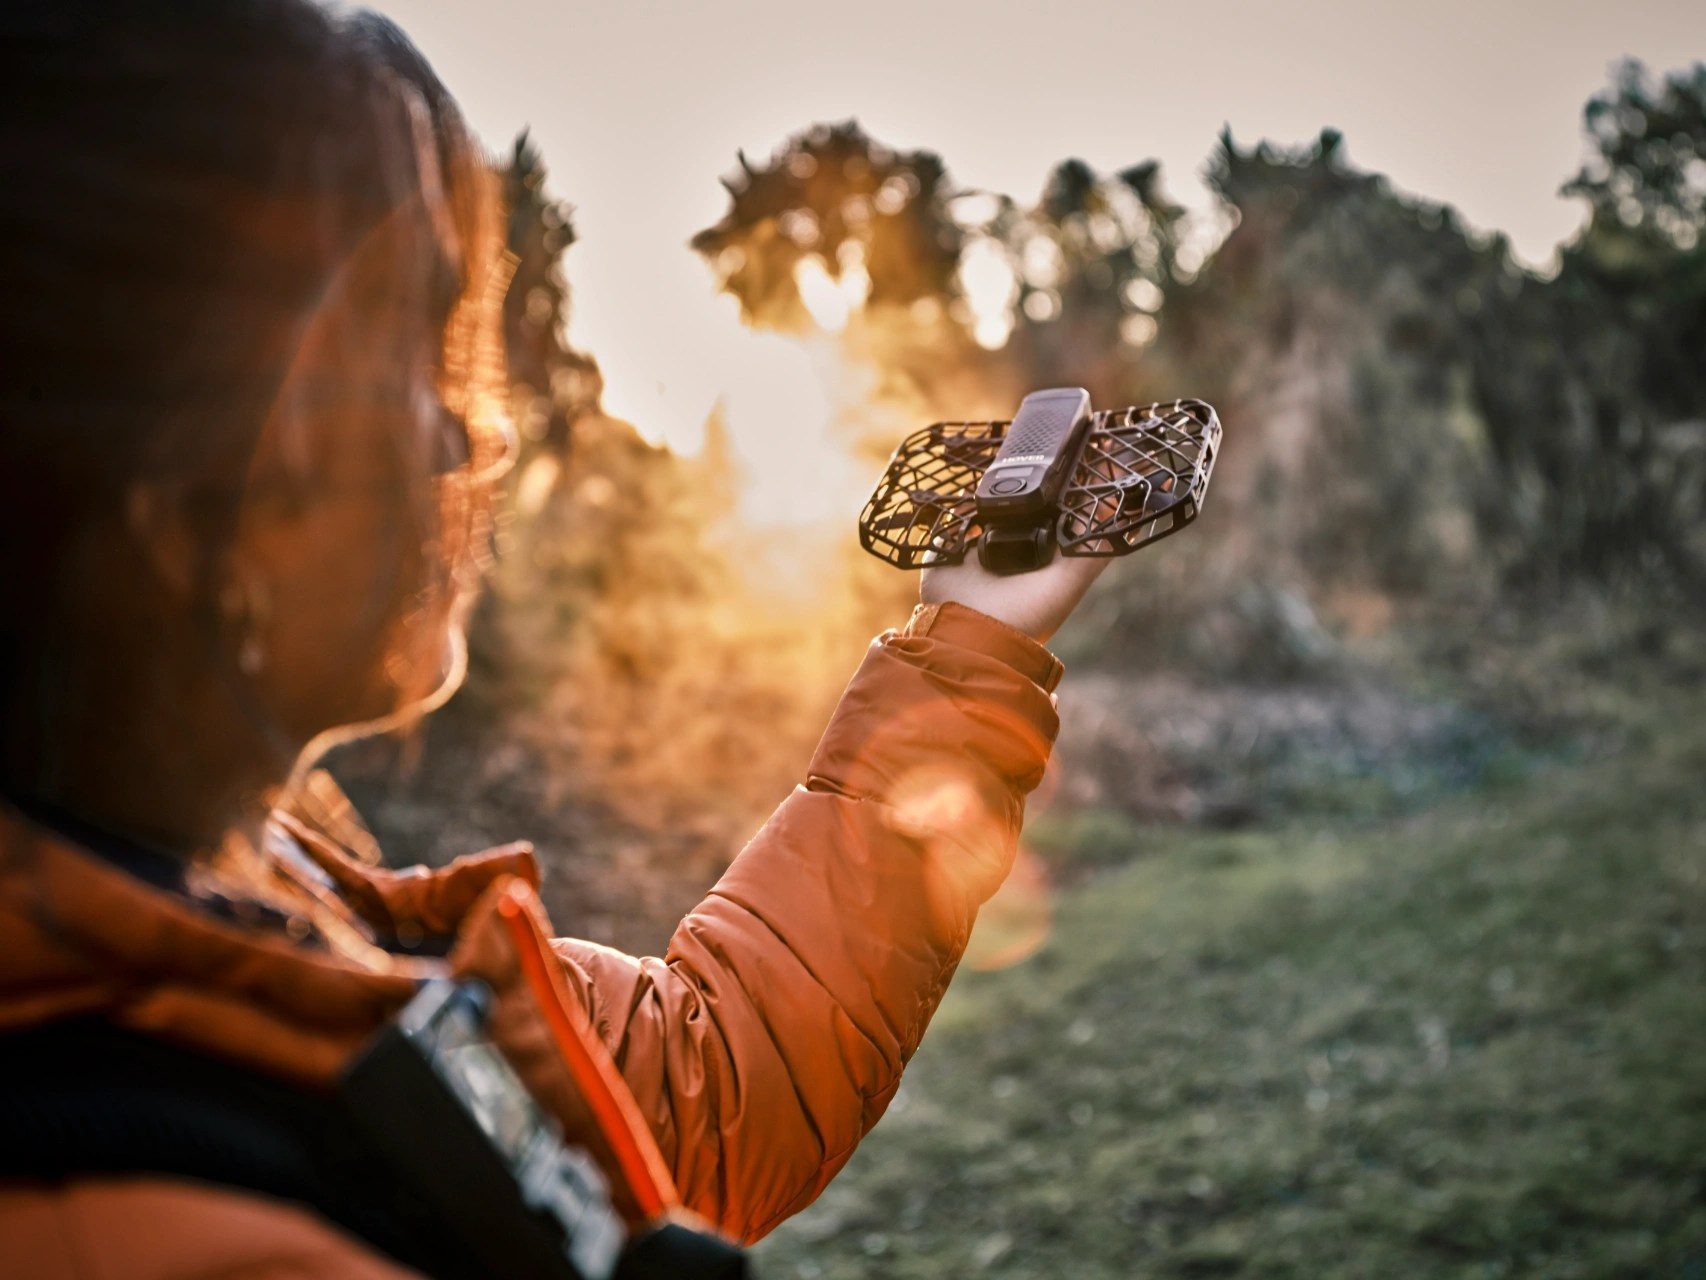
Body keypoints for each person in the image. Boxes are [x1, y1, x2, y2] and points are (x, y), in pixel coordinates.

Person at [0, 2, 1109, 1275]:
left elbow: (697, 1091)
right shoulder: (160, 1218)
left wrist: (965, 633)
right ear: (178, 503)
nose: (466, 435)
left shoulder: (253, 902)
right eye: (402, 344)